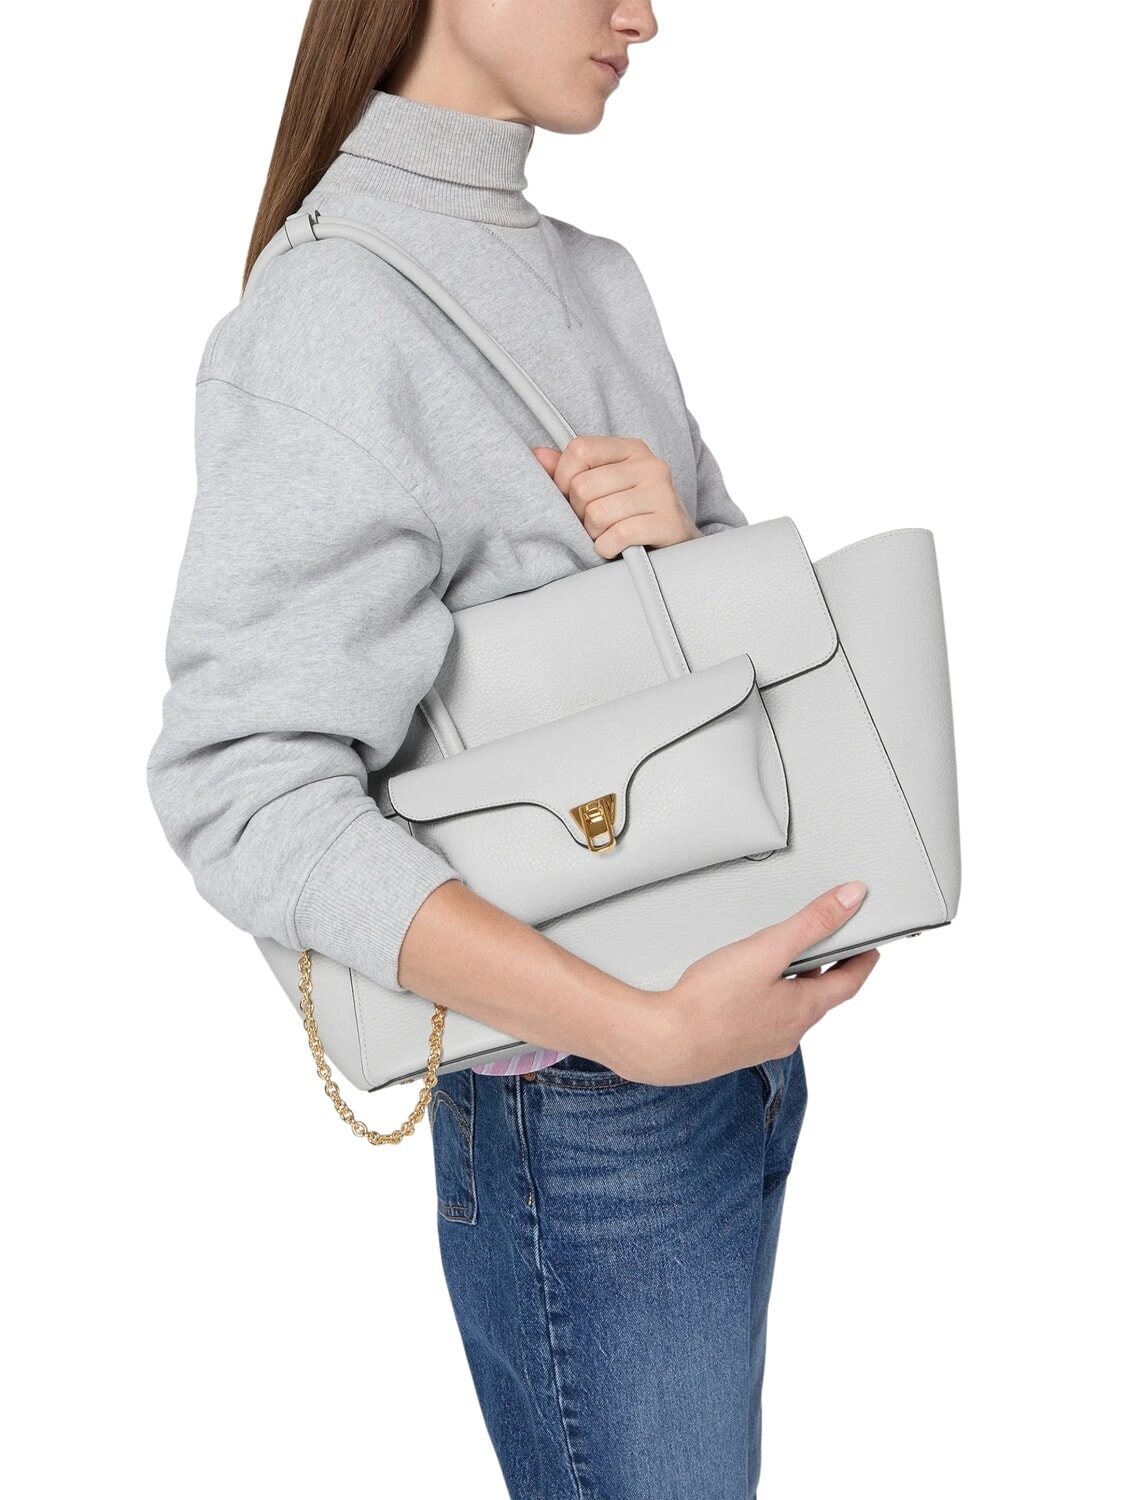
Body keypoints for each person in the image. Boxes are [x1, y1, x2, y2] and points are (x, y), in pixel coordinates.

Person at [147, 2, 881, 1494]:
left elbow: (737, 667)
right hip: (586, 1104)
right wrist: (638, 1034)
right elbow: (242, 788)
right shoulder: (328, 315)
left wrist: (687, 551)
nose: (645, 17)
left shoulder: (595, 278)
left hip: (733, 1059)